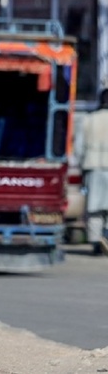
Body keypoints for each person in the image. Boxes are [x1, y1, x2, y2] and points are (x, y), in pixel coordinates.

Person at [79, 88, 108, 256]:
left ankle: (96, 243)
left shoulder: (88, 120)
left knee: (94, 208)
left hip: (94, 167)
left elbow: (79, 148)